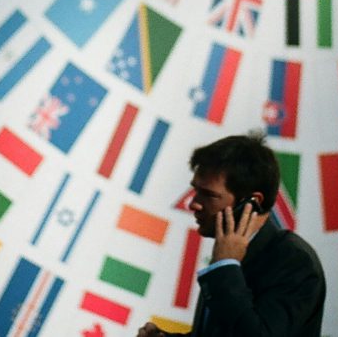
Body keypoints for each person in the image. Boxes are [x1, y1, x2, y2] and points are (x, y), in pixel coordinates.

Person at [138, 133, 325, 336]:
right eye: (195, 190)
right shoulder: (228, 255)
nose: (193, 204)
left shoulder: (294, 261)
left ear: (253, 202)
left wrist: (225, 268)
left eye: (209, 195)